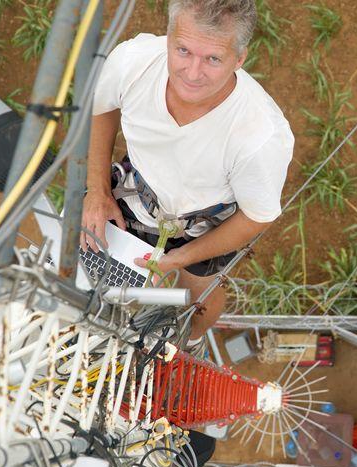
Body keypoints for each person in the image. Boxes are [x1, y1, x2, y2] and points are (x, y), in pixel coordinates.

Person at [81, 0, 294, 347]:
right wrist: (97, 190)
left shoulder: (260, 137)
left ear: (239, 58)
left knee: (200, 295)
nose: (192, 73)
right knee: (85, 265)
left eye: (212, 59)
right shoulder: (132, 62)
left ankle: (188, 343)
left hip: (204, 225)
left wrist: (180, 258)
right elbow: (102, 107)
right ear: (167, 37)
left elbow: (256, 217)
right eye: (183, 50)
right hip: (137, 192)